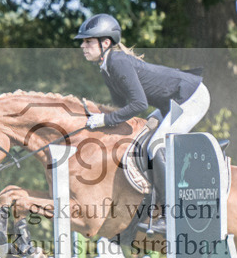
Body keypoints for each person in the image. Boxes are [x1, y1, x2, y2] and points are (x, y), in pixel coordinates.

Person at [74, 13, 210, 230]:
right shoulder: (107, 66)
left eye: (88, 41)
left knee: (157, 146)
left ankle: (171, 214)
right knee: (140, 137)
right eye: (83, 41)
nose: (83, 46)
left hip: (191, 96)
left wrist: (104, 120)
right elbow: (120, 107)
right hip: (170, 104)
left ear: (105, 42)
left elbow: (138, 105)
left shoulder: (117, 62)